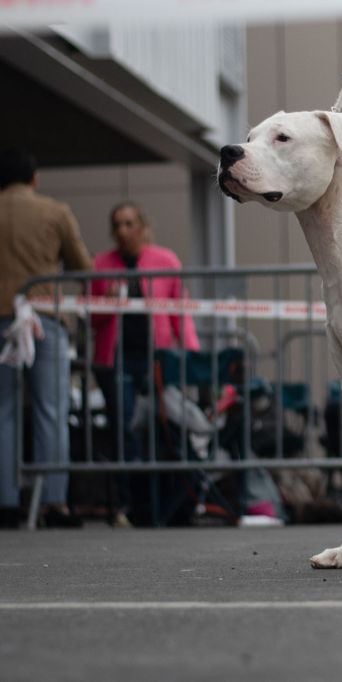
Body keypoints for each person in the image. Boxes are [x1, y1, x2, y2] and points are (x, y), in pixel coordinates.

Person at [90, 201, 199, 526]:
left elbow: (180, 312)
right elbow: (92, 319)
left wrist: (192, 354)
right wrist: (107, 303)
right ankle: (127, 503)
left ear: (141, 226)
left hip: (157, 357)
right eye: (117, 224)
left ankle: (164, 501)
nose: (123, 230)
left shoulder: (165, 261)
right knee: (124, 429)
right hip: (117, 358)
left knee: (164, 427)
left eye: (128, 223)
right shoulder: (100, 265)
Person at [0, 148, 92, 529]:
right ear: (34, 178)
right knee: (50, 411)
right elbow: (82, 267)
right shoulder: (54, 212)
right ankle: (53, 502)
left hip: (1, 318)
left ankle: (5, 502)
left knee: (2, 411)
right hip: (43, 317)